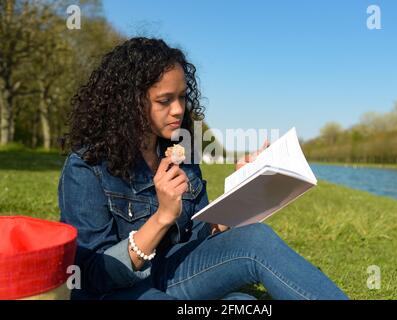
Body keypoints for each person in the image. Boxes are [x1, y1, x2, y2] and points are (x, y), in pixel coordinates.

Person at [58, 37, 348, 300]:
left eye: (182, 97)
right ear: (128, 103)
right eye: (164, 100)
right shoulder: (87, 167)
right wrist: (161, 218)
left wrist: (242, 190)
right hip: (117, 291)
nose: (178, 110)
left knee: (253, 252)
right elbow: (93, 275)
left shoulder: (180, 153)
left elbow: (200, 235)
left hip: (174, 273)